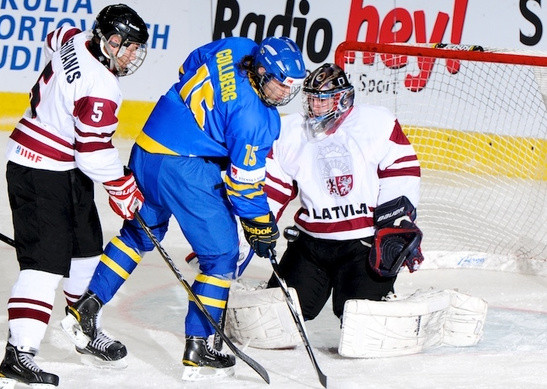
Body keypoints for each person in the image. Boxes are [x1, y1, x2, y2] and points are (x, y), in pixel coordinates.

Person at [61, 36, 307, 380]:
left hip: (148, 146)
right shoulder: (258, 120)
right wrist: (260, 225)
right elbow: (244, 185)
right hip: (186, 169)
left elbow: (187, 66)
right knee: (221, 257)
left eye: (291, 87)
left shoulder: (235, 47)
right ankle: (200, 348)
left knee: (138, 235)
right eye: (280, 84)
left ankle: (85, 308)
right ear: (262, 70)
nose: (284, 94)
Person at [0, 4, 149, 387]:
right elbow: (94, 152)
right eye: (127, 46)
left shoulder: (75, 36)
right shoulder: (102, 87)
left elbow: (53, 39)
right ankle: (19, 352)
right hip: (37, 172)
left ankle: (81, 325)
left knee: (86, 250)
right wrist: (121, 186)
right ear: (108, 40)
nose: (132, 55)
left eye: (135, 48)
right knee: (44, 265)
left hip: (64, 169)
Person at [264, 63, 423, 322]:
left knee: (361, 319)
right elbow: (274, 186)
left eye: (323, 100)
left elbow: (401, 169)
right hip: (311, 243)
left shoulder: (376, 123)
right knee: (278, 315)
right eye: (312, 100)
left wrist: (396, 223)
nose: (315, 107)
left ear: (342, 98)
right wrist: (249, 227)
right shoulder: (291, 131)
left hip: (362, 243)